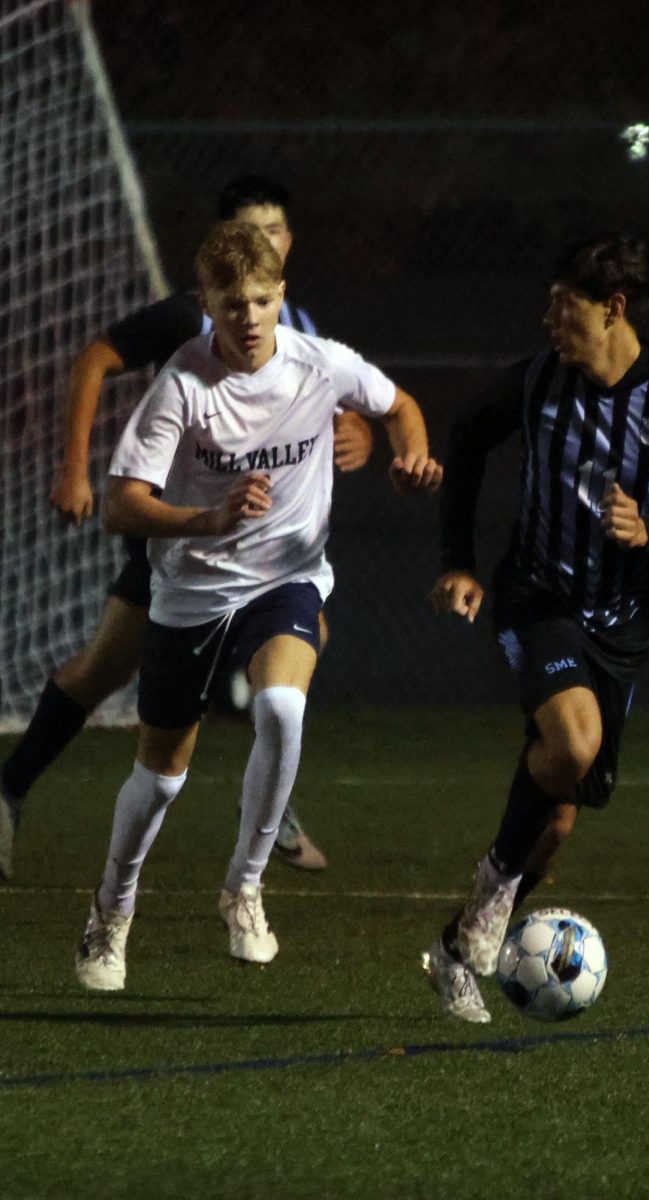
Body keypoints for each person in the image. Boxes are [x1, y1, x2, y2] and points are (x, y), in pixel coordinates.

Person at [74, 220, 442, 991]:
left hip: (287, 577)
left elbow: (397, 403)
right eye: (231, 303)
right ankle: (113, 908)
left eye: (261, 301)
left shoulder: (320, 363)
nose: (247, 318)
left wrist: (410, 455)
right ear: (206, 303)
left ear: (283, 298)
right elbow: (120, 507)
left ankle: (244, 887)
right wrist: (207, 519)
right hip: (194, 586)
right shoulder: (181, 383)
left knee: (281, 708)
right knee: (163, 776)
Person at [0, 175, 373, 881]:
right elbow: (95, 359)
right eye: (249, 231)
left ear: (288, 244)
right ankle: (10, 786)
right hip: (187, 538)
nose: (263, 242)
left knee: (299, 642)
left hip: (264, 550)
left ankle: (267, 799)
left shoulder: (300, 327)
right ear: (220, 247)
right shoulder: (192, 319)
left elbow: (344, 403)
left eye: (274, 230)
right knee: (104, 670)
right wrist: (75, 469)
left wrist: (360, 434)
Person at [423, 231, 649, 1023]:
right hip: (538, 597)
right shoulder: (535, 384)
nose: (549, 320)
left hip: (622, 626)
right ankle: (490, 908)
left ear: (612, 309)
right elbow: (464, 437)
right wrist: (459, 561)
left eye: (565, 307)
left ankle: (457, 946)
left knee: (557, 822)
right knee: (574, 745)